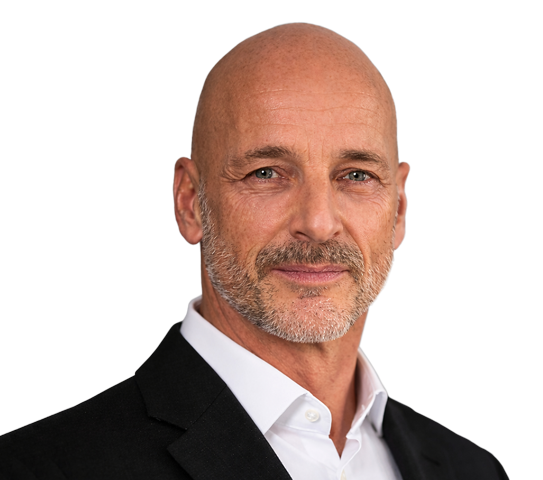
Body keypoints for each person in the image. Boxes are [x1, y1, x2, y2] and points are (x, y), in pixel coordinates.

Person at [0, 23, 510, 479]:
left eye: (356, 175)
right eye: (266, 173)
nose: (318, 223)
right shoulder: (37, 469)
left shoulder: (474, 469)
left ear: (397, 209)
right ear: (190, 203)